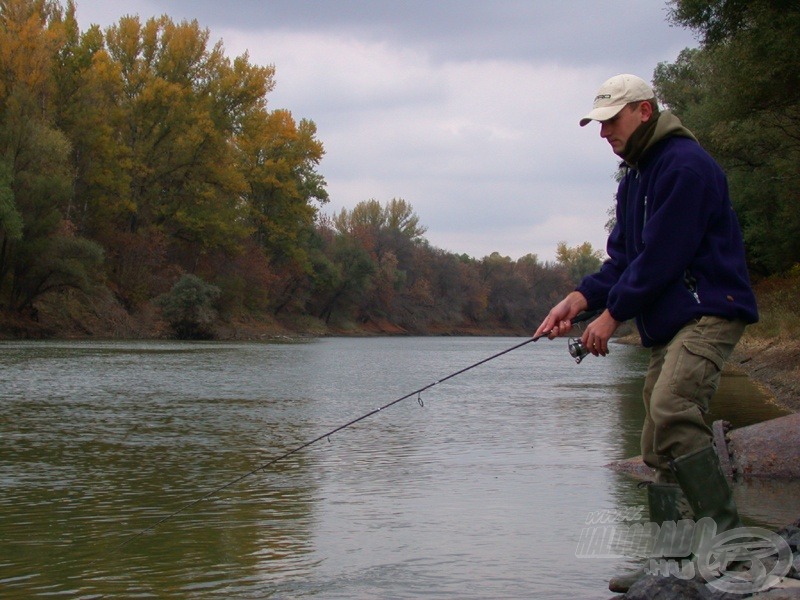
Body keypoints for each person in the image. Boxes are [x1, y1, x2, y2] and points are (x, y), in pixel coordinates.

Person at [533, 74, 759, 592]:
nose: (603, 132)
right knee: (657, 438)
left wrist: (612, 317)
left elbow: (663, 258)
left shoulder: (685, 166)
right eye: (599, 122)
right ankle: (670, 565)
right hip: (673, 322)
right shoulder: (635, 177)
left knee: (672, 409)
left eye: (611, 120)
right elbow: (625, 261)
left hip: (711, 310)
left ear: (644, 111)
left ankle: (738, 553)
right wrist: (581, 299)